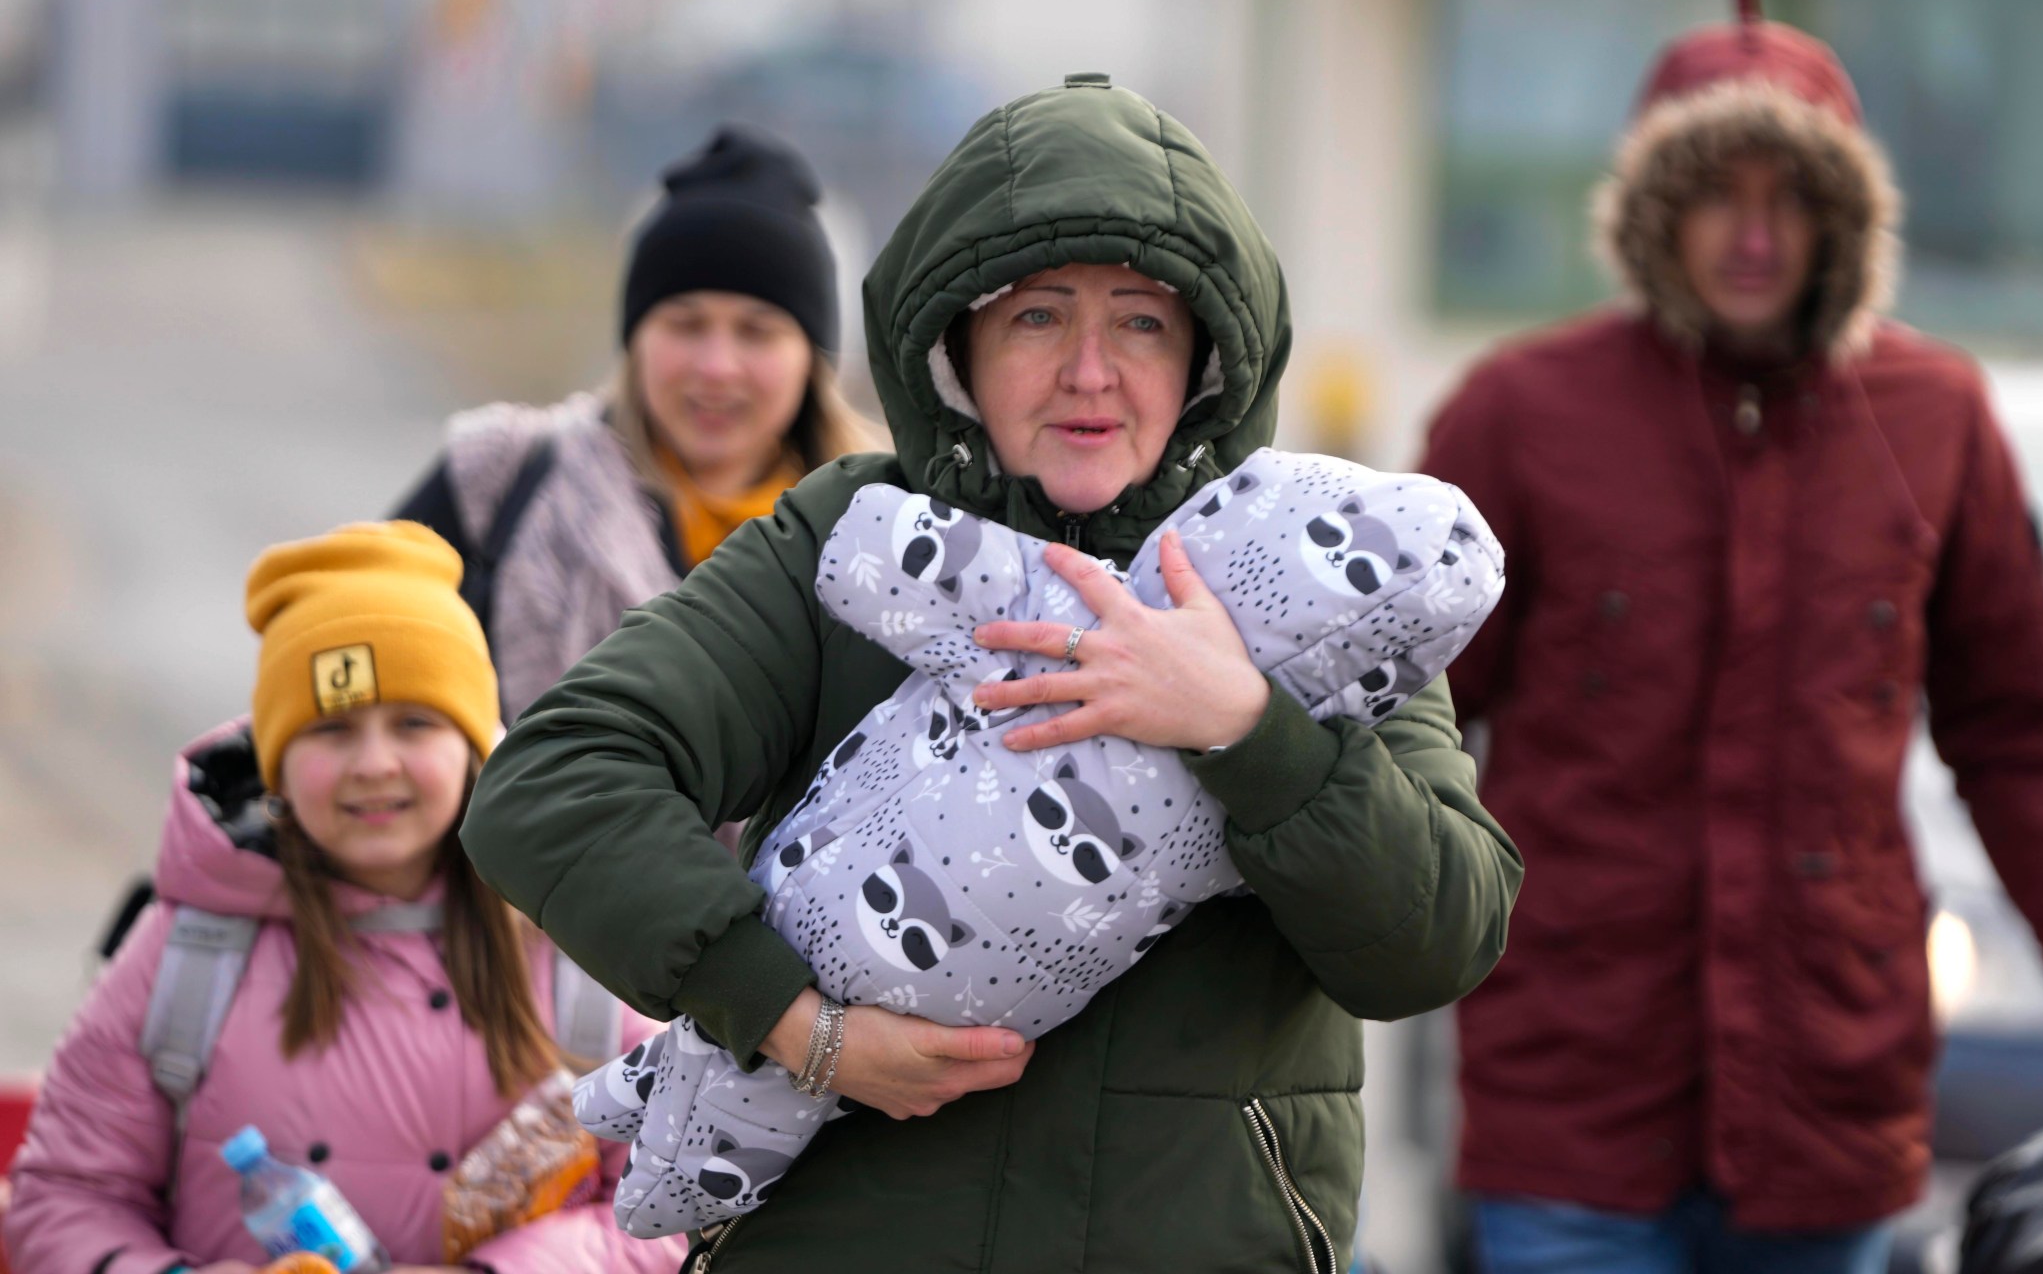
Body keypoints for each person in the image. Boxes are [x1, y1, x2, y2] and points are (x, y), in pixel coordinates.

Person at [459, 74, 1522, 1270]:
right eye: (1036, 318)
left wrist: (1246, 728)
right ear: (954, 346)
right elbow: (551, 782)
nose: (1088, 371)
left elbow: (1438, 937)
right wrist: (799, 1026)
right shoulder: (849, 540)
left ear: (1206, 361)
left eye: (1140, 322)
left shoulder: (1306, 573)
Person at [1417, 0, 2043, 1273]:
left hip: (1827, 1111)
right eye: (1714, 192)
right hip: (1572, 1110)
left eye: (1788, 195)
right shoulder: (1521, 414)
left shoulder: (1933, 417)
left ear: (1841, 218)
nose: (1751, 234)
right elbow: (1401, 719)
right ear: (1651, 212)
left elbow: (2023, 734)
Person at [2, 523, 673, 1274]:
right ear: (278, 767)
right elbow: (63, 1197)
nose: (374, 764)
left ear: (478, 749)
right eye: (332, 730)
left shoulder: (576, 943)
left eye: (414, 723)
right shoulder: (190, 946)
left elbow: (674, 1206)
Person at [394, 123, 881, 721]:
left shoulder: (887, 540)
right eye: (685, 323)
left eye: (756, 331)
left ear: (814, 358)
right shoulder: (502, 481)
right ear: (635, 337)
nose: (716, 367)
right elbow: (344, 635)